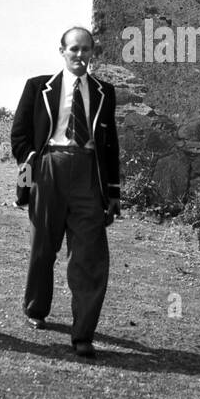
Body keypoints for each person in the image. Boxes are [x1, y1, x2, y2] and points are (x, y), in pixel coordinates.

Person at [11, 27, 121, 358]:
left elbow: (110, 144)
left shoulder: (105, 92)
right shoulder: (38, 87)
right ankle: (36, 307)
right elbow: (20, 137)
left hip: (88, 174)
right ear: (62, 51)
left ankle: (83, 334)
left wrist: (113, 191)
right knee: (43, 247)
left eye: (86, 49)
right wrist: (28, 181)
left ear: (92, 53)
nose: (80, 55)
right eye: (74, 49)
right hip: (48, 169)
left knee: (90, 254)